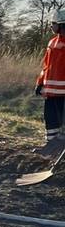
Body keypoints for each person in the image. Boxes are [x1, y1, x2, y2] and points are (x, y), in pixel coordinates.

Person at [34, 10, 65, 156]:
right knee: (51, 120)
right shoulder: (52, 42)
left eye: (53, 23)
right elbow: (46, 66)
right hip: (51, 93)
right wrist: (40, 82)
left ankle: (60, 150)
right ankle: (52, 146)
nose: (51, 26)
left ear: (61, 24)